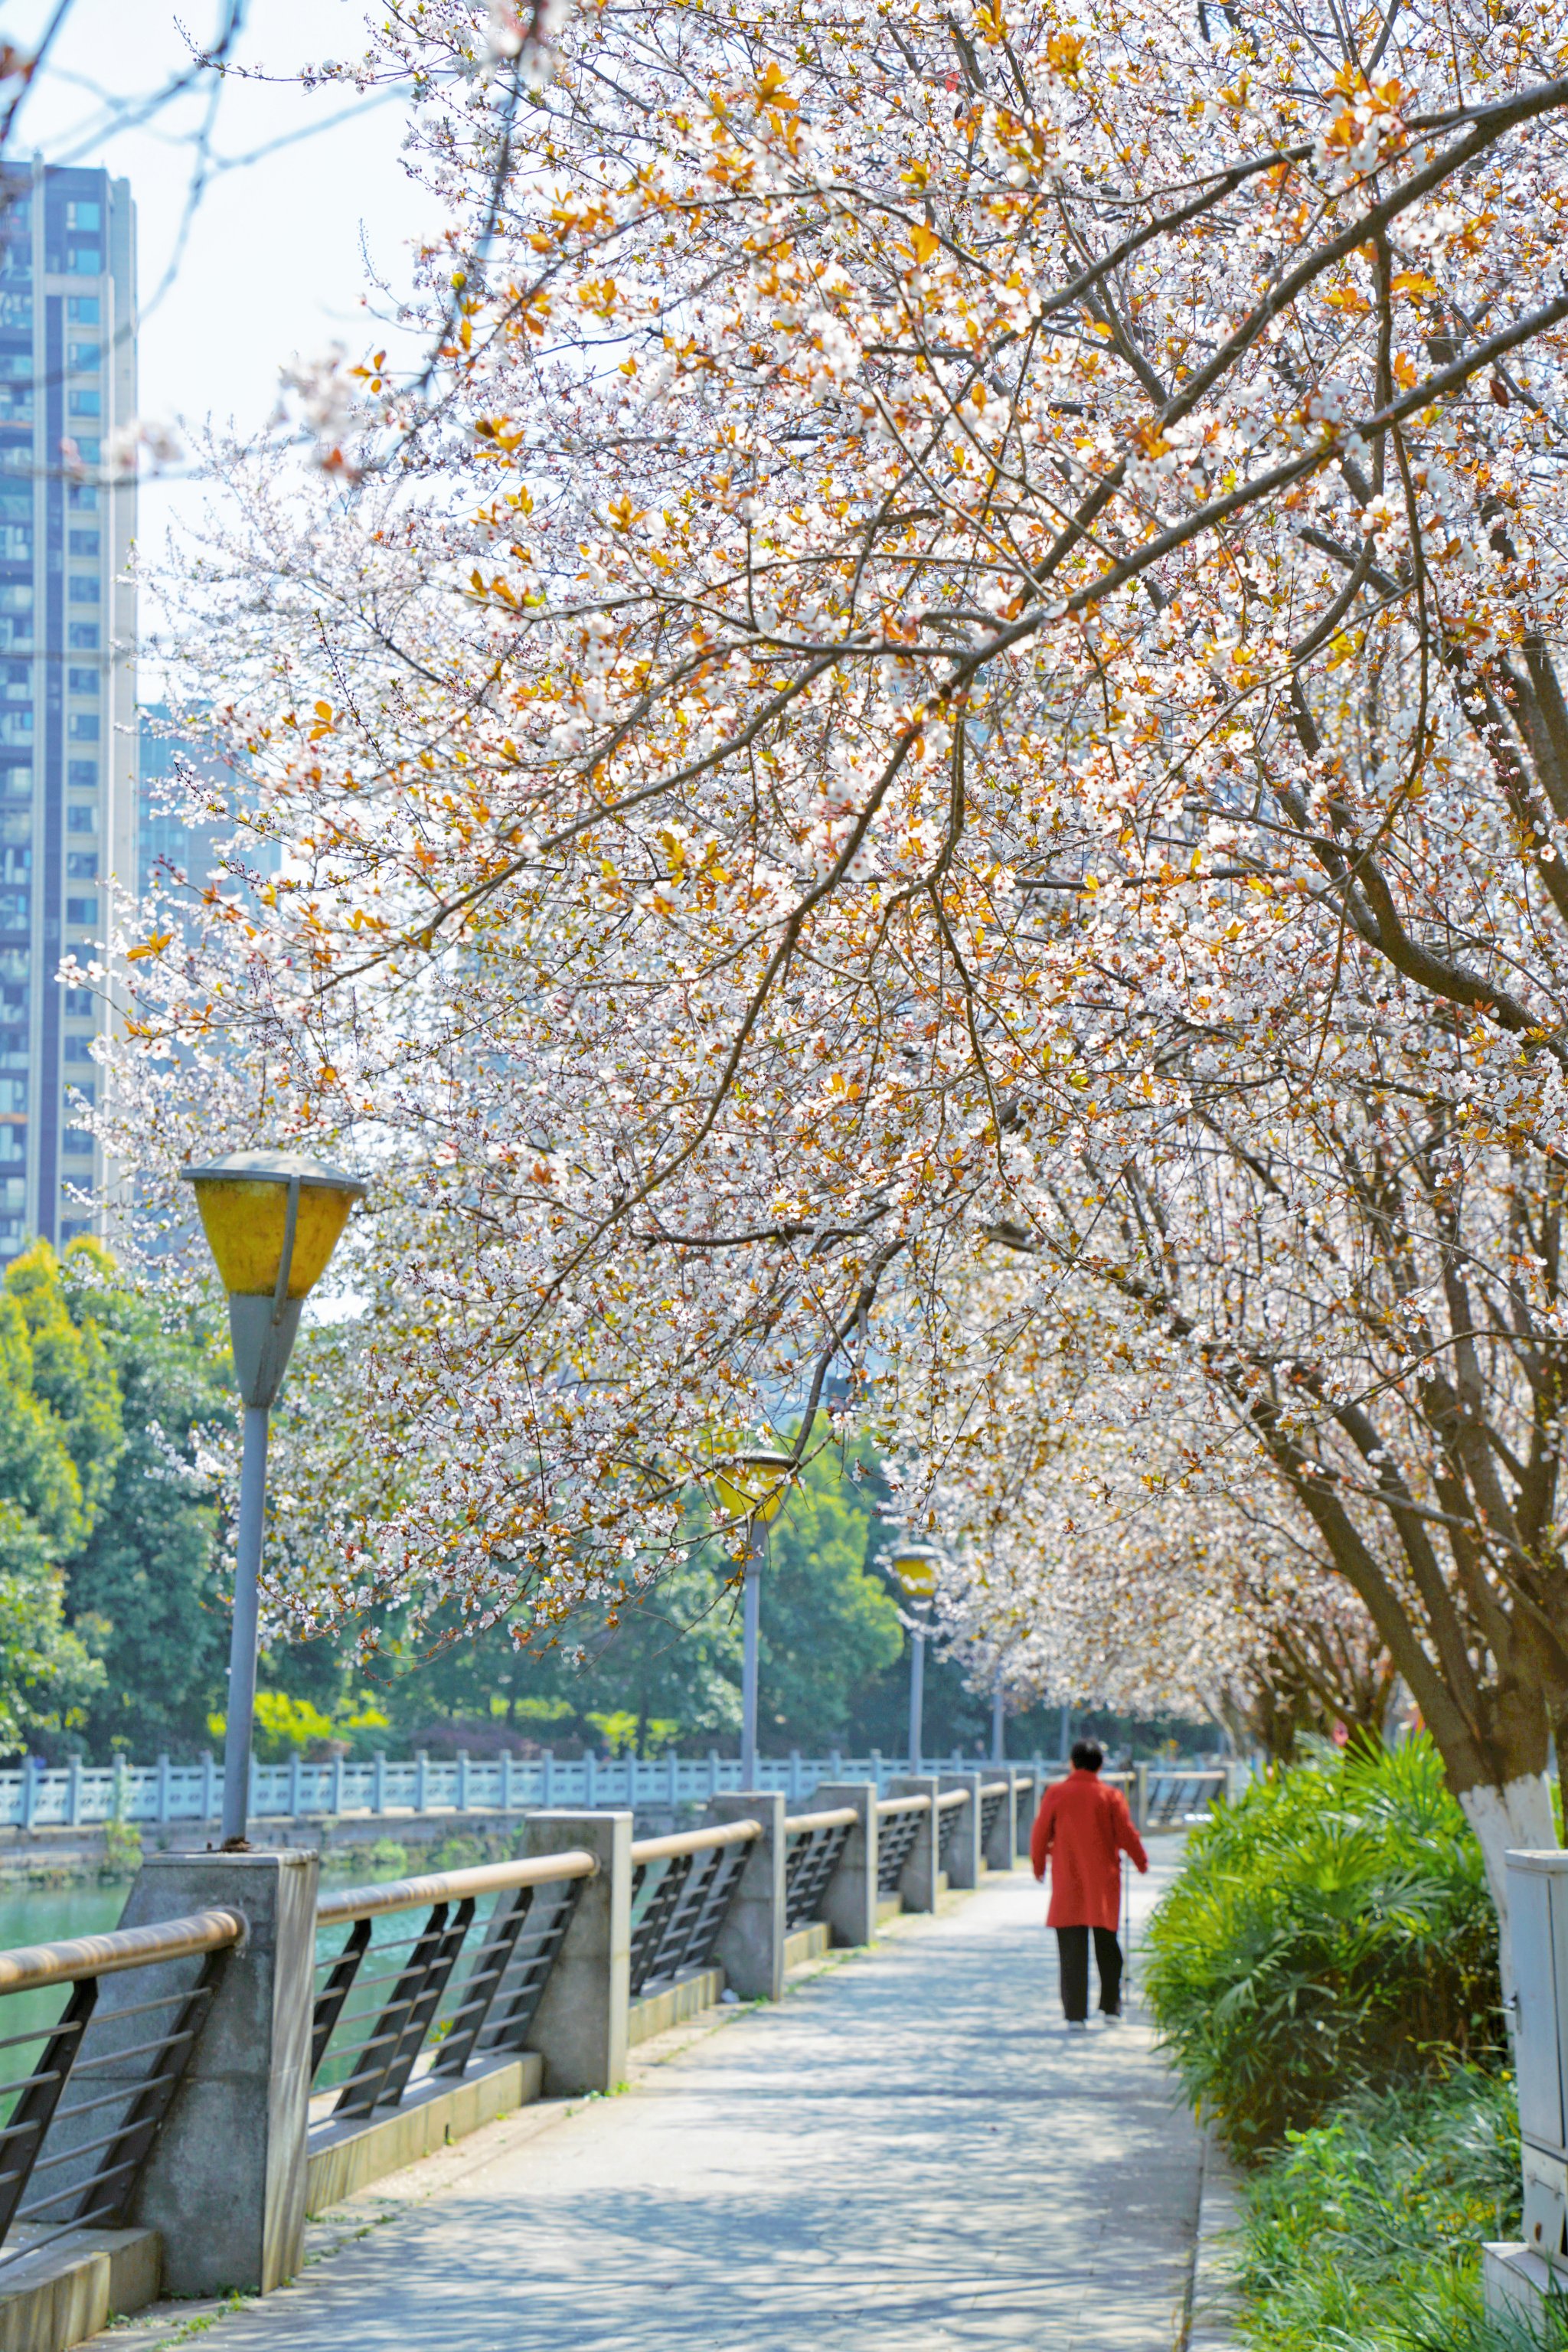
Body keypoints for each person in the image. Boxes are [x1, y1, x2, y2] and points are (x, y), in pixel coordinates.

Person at [1031, 1739, 1148, 2032]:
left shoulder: (1056, 1793)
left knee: (1071, 1948)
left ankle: (1075, 2015)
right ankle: (1111, 2006)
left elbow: (1040, 1832)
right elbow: (1126, 1833)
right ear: (1100, 1765)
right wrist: (1141, 1860)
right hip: (1103, 1881)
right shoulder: (1110, 1796)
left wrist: (1038, 1865)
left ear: (1072, 1762)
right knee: (1107, 1944)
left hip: (1068, 1880)